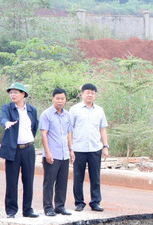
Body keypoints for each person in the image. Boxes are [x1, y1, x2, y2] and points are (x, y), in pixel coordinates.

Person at [0, 82, 39, 218]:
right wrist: (6, 123)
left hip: (28, 149)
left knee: (28, 180)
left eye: (16, 92)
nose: (12, 95)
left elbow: (34, 127)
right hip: (12, 150)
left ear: (23, 94)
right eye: (11, 92)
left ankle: (28, 209)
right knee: (11, 181)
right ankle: (11, 211)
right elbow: (2, 118)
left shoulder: (32, 110)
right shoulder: (7, 108)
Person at [69, 83, 109, 212]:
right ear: (82, 94)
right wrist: (70, 148)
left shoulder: (99, 110)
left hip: (95, 148)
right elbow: (69, 130)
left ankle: (95, 202)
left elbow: (102, 129)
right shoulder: (75, 109)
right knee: (78, 177)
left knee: (95, 177)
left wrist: (105, 146)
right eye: (87, 92)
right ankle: (79, 203)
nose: (90, 94)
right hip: (79, 149)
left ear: (95, 95)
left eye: (92, 92)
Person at [40, 88, 74, 216]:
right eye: (57, 98)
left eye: (63, 98)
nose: (60, 101)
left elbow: (68, 133)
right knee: (49, 182)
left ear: (65, 100)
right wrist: (48, 153)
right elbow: (44, 134)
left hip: (64, 153)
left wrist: (71, 149)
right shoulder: (46, 114)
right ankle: (48, 207)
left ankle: (60, 206)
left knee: (62, 181)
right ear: (53, 99)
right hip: (52, 154)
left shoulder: (67, 115)